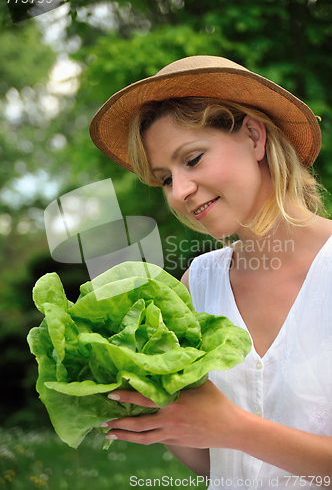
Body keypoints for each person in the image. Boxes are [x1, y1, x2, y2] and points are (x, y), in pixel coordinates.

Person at [89, 56, 332, 489]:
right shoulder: (197, 286)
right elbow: (214, 461)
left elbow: (234, 433)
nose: (180, 191)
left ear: (254, 137)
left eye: (193, 159)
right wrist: (155, 409)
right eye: (165, 178)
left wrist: (234, 427)